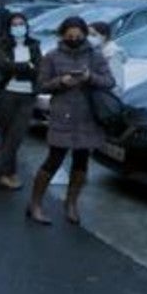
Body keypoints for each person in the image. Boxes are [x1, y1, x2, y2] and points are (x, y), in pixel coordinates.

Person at [27, 16, 114, 225]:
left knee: (81, 162)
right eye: (69, 36)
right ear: (62, 35)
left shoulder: (95, 55)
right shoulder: (52, 56)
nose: (74, 39)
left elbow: (109, 81)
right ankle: (35, 204)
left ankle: (71, 203)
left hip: (87, 116)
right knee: (53, 160)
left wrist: (89, 77)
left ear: (84, 35)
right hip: (62, 115)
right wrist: (61, 81)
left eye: (78, 36)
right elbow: (41, 86)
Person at [0, 13, 42, 190]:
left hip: (27, 96)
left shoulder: (34, 45)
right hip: (6, 95)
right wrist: (26, 66)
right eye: (14, 24)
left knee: (16, 137)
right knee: (6, 136)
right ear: (9, 27)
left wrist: (18, 67)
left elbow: (38, 70)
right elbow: (3, 66)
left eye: (21, 24)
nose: (18, 27)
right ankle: (9, 174)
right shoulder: (2, 44)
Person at [89, 21, 127, 96]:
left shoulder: (112, 54)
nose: (89, 38)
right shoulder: (97, 50)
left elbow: (117, 85)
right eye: (88, 35)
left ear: (104, 36)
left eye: (93, 35)